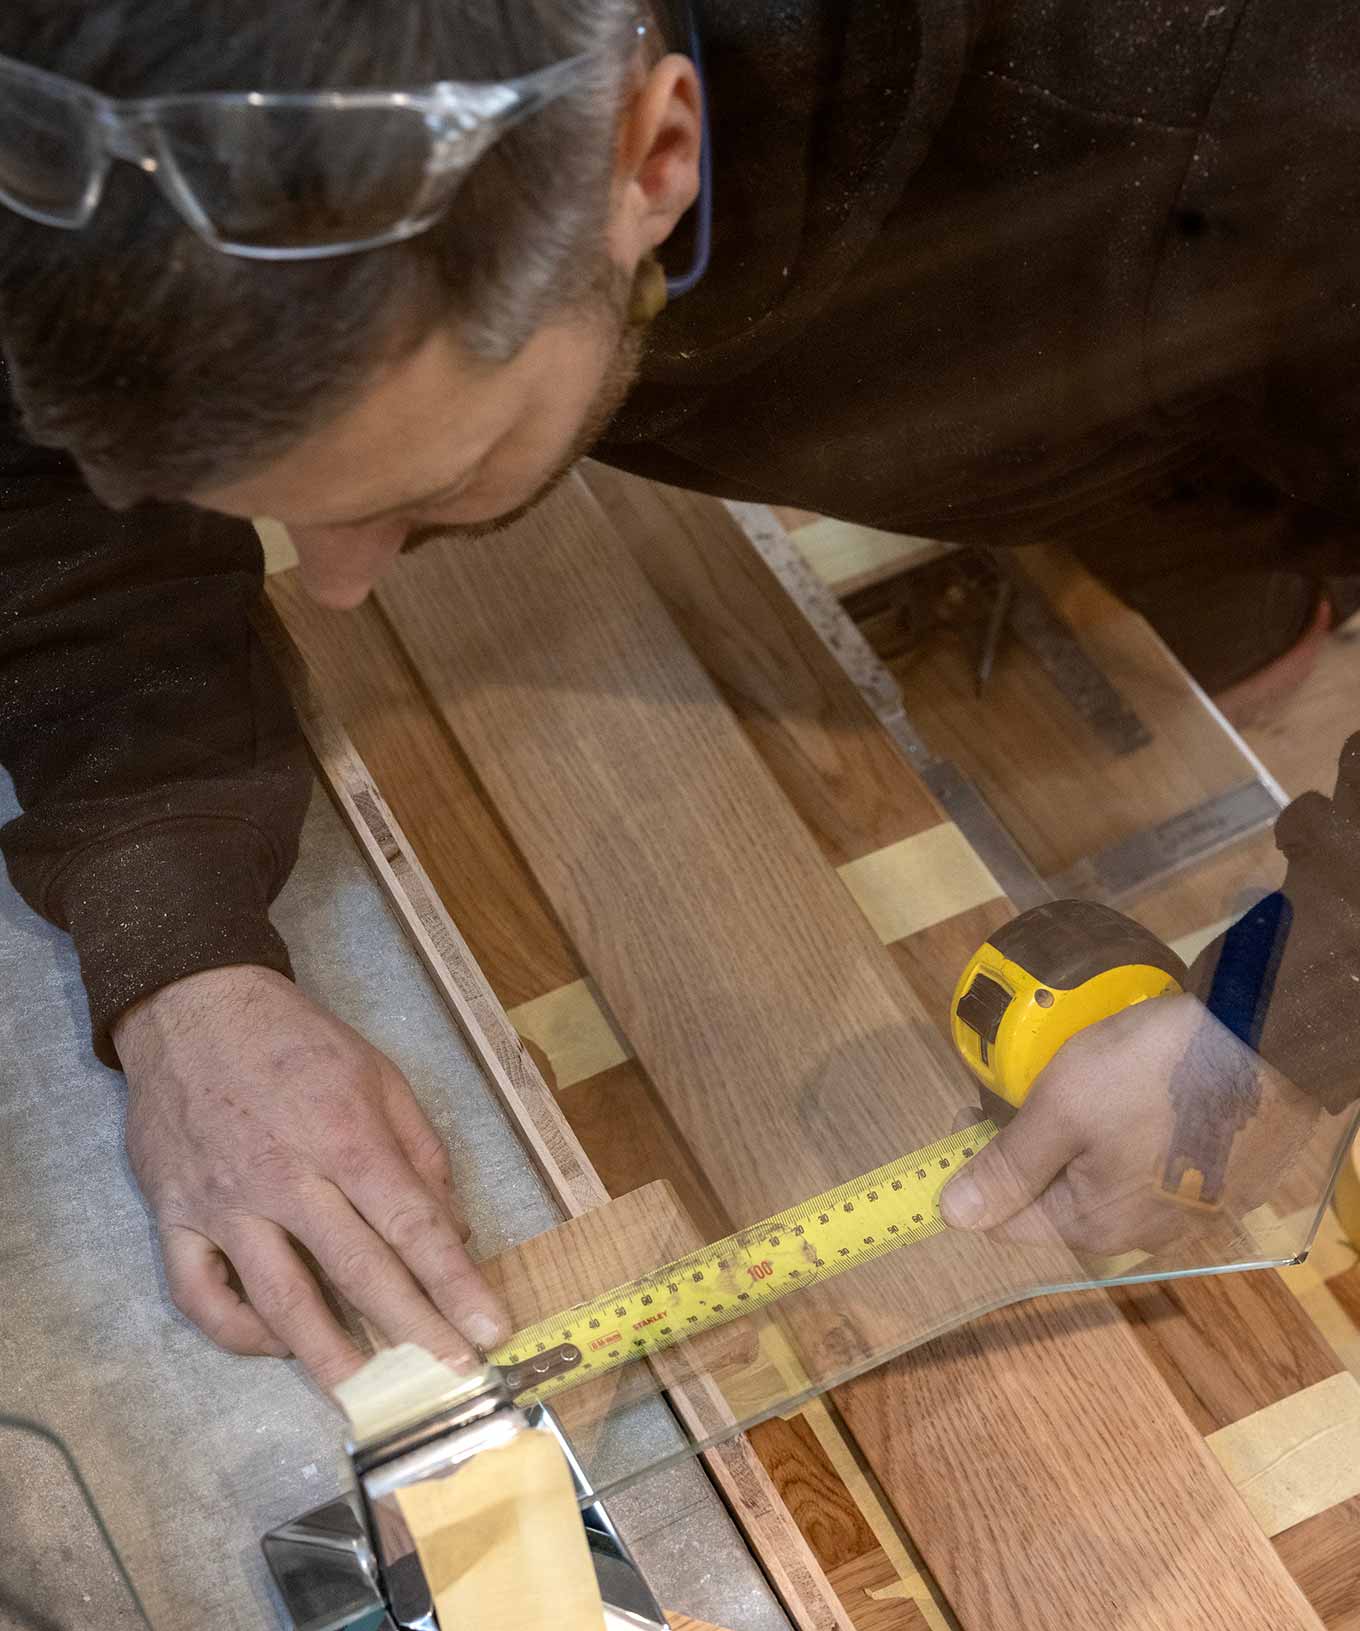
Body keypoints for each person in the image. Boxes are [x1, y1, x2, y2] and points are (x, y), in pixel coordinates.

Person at [0, 1, 1354, 1390]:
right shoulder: (69, 103)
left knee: (1248, 612)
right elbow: (37, 480)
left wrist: (1297, 1004)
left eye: (430, 484)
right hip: (1067, 324)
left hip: (1202, 290)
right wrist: (173, 937)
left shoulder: (1267, 102)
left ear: (653, 158)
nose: (336, 590)